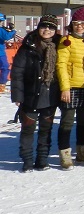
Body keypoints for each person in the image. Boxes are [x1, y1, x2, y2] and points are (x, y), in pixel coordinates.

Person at [11, 14, 61, 172]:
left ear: (55, 30)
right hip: (30, 94)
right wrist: (18, 96)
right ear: (38, 28)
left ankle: (42, 159)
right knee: (28, 129)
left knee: (46, 130)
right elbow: (17, 73)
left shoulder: (59, 46)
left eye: (51, 27)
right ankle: (27, 160)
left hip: (50, 95)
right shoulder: (28, 47)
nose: (47, 30)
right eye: (44, 26)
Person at [55, 7, 84, 170]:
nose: (80, 26)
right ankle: (65, 155)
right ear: (72, 24)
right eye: (76, 23)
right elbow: (61, 64)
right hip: (70, 86)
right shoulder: (66, 41)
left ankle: (82, 151)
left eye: (83, 23)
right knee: (67, 122)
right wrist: (65, 88)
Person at [0, 12, 17, 93]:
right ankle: (1, 85)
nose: (1, 23)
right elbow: (6, 36)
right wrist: (12, 31)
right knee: (5, 67)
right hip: (0, 53)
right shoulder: (0, 30)